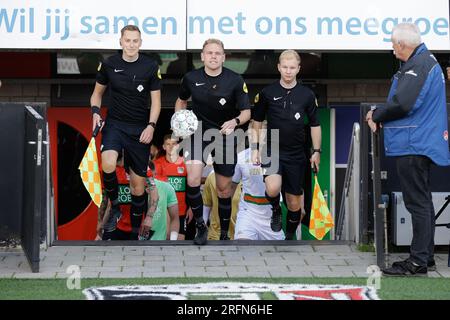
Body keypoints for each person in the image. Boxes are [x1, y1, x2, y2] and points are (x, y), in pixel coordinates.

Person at [366, 23, 449, 276]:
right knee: (421, 201)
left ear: (403, 45)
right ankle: (426, 257)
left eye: (394, 46)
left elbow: (402, 103)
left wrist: (375, 114)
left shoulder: (419, 64)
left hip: (415, 142)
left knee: (417, 203)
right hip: (418, 140)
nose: (393, 51)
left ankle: (417, 262)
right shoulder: (424, 62)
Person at [174, 38, 251, 245]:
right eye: (209, 53)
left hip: (224, 135)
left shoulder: (235, 80)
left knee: (224, 189)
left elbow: (246, 113)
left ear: (224, 57)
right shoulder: (191, 78)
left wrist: (234, 122)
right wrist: (179, 123)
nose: (213, 56)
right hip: (197, 134)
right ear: (202, 56)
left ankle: (224, 232)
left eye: (218, 53)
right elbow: (181, 101)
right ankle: (200, 225)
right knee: (192, 179)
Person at [90, 25, 162, 240]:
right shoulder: (109, 64)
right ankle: (116, 207)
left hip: (140, 129)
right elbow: (96, 95)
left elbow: (156, 102)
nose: (131, 44)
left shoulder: (150, 66)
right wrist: (95, 112)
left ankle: (137, 233)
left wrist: (151, 126)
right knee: (108, 163)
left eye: (135, 41)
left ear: (140, 42)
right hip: (115, 125)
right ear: (120, 41)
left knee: (138, 188)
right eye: (127, 40)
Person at [252, 50, 321, 240]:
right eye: (285, 67)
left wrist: (316, 151)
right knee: (273, 188)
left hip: (297, 153)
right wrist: (255, 148)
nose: (288, 71)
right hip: (272, 148)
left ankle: (289, 237)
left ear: (298, 69)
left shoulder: (307, 95)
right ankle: (275, 209)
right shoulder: (267, 93)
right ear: (279, 68)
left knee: (294, 204)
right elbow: (256, 121)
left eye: (292, 68)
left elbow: (315, 124)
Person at [231, 122, 285, 240]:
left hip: (270, 217)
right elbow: (231, 187)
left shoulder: (278, 157)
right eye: (250, 133)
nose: (253, 136)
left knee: (278, 254)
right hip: (248, 214)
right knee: (242, 248)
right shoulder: (240, 158)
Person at [153, 134, 195, 240]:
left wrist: (191, 207)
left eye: (174, 144)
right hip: (164, 211)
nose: (171, 147)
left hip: (181, 211)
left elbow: (191, 186)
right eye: (168, 144)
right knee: (166, 238)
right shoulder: (157, 164)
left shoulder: (185, 163)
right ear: (163, 146)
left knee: (180, 241)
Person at [202, 171, 241, 240]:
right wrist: (200, 231)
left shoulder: (246, 176)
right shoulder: (212, 176)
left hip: (240, 235)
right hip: (216, 235)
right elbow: (206, 205)